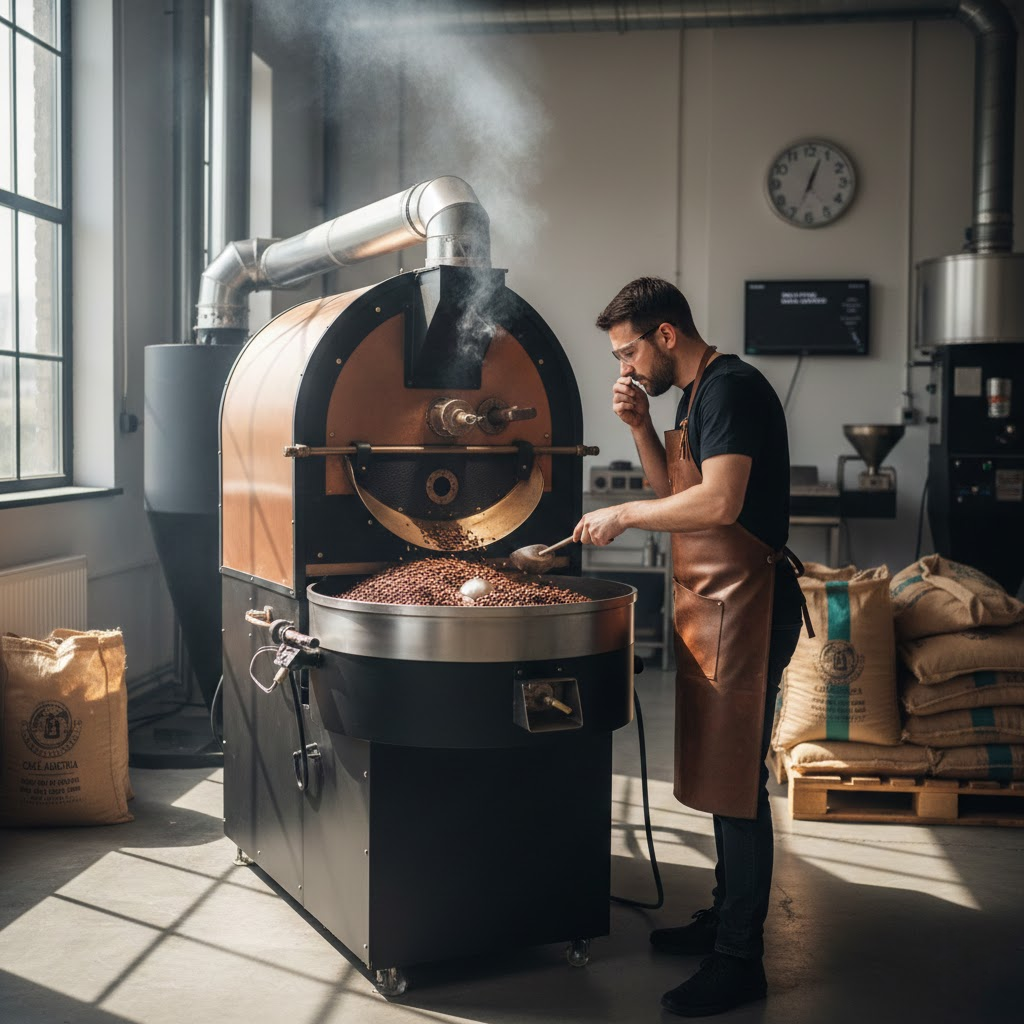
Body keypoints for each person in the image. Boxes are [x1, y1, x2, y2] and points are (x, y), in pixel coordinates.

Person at [574, 277, 812, 1018]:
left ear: (666, 335)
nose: (623, 368)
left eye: (627, 352)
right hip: (713, 605)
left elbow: (720, 503)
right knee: (716, 769)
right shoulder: (689, 397)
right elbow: (673, 488)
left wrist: (623, 514)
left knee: (737, 783)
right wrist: (643, 427)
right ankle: (723, 915)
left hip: (748, 603)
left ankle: (740, 959)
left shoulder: (731, 389)